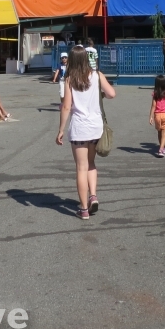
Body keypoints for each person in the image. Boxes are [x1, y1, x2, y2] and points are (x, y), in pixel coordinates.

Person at [56, 46, 117, 219]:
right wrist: (100, 95)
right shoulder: (97, 75)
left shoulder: (69, 79)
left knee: (81, 167)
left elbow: (66, 106)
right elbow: (112, 93)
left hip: (79, 128)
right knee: (91, 164)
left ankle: (83, 209)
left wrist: (60, 130)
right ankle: (93, 196)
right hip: (96, 127)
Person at [147, 74, 165, 158]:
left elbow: (153, 106)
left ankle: (162, 147)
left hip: (157, 115)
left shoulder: (155, 94)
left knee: (159, 131)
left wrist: (150, 116)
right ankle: (161, 149)